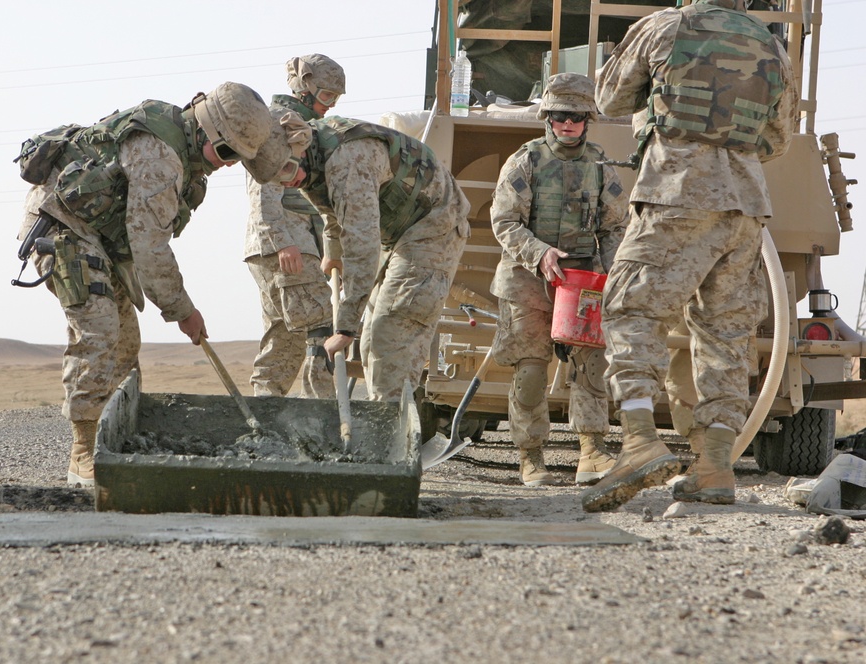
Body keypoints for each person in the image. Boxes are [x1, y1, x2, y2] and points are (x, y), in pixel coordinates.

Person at [582, 0, 797, 512]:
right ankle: (714, 467)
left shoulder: (665, 26)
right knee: (726, 332)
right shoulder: (771, 44)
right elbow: (778, 137)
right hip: (745, 204)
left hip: (675, 194)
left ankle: (639, 441)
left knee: (630, 310)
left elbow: (609, 99)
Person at [14, 82, 273, 488]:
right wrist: (182, 309)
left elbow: (143, 240)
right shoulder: (160, 158)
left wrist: (177, 305)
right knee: (99, 332)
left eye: (235, 160)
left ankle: (110, 441)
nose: (226, 165)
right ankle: (84, 452)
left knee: (125, 345)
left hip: (102, 239)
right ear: (204, 130)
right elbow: (150, 246)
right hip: (62, 226)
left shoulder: (185, 160)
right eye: (225, 153)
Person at [242, 113, 471, 402]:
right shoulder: (309, 161)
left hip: (434, 225)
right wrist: (333, 252)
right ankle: (382, 420)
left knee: (391, 332)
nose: (287, 182)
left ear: (299, 147)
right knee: (371, 341)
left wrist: (344, 328)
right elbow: (332, 211)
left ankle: (390, 434)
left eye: (288, 170)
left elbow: (362, 248)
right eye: (277, 178)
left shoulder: (348, 161)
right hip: (397, 232)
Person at [488, 73, 629, 487]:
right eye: (558, 116)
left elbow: (615, 227)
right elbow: (505, 221)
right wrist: (539, 253)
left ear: (588, 120)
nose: (566, 124)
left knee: (591, 367)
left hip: (582, 280)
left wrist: (608, 274)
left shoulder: (601, 166)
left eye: (576, 116)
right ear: (547, 118)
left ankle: (592, 452)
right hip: (528, 280)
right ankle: (531, 457)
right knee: (530, 371)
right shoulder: (525, 161)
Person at [244, 54, 346, 399]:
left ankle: (265, 416)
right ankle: (325, 419)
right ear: (305, 90)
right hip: (289, 244)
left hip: (282, 246)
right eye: (327, 96)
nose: (329, 107)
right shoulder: (283, 125)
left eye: (336, 99)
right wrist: (282, 241)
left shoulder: (296, 123)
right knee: (323, 327)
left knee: (284, 337)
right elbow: (264, 187)